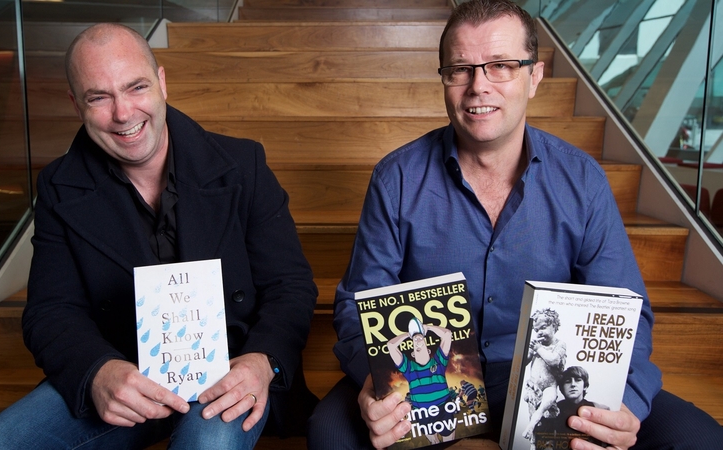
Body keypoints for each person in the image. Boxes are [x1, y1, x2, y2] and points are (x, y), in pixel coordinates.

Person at [307, 1, 723, 449]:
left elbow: (626, 308)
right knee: (329, 433)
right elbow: (357, 302)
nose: (478, 87)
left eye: (501, 66)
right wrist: (376, 380)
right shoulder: (397, 178)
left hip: (547, 378)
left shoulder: (581, 180)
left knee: (699, 439)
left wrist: (628, 406)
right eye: (460, 69)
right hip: (436, 383)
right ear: (444, 79)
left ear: (535, 77)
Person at [0, 23, 318, 449]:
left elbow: (290, 285)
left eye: (135, 87)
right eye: (99, 97)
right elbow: (50, 310)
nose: (123, 113)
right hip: (122, 373)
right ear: (76, 104)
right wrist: (96, 372)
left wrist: (263, 362)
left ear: (162, 83)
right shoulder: (59, 185)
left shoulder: (245, 164)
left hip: (227, 371)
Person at [386, 320, 454, 445]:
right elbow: (391, 345)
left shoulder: (438, 361)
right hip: (422, 412)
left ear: (429, 351)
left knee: (449, 440)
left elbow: (447, 334)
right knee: (433, 441)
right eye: (414, 344)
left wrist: (427, 327)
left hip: (444, 407)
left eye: (421, 341)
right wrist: (410, 335)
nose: (417, 342)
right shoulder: (409, 368)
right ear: (412, 353)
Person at [534, 366, 609, 449]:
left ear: (585, 386)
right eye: (568, 381)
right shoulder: (552, 411)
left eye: (578, 380)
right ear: (562, 389)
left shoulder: (599, 409)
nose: (573, 384)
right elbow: (542, 442)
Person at [521, 309, 566, 444]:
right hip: (534, 387)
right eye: (536, 330)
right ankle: (533, 442)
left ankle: (534, 424)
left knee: (548, 400)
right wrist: (529, 351)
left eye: (543, 327)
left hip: (549, 385)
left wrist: (539, 349)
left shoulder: (559, 344)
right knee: (532, 414)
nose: (539, 332)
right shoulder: (535, 346)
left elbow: (553, 360)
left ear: (554, 326)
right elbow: (523, 363)